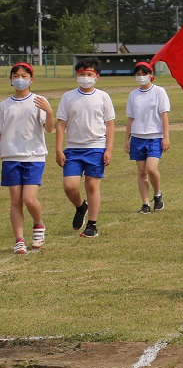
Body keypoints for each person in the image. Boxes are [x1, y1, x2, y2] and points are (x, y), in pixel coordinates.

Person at [55, 57, 115, 238]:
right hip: (73, 149)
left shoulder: (103, 97)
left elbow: (110, 124)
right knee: (70, 186)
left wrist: (108, 149)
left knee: (92, 185)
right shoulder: (68, 97)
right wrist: (58, 149)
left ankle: (92, 225)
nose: (85, 77)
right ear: (76, 75)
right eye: (82, 74)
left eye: (89, 74)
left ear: (97, 76)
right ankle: (81, 207)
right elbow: (61, 124)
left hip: (96, 147)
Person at [1, 63, 54, 253]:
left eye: (24, 76)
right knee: (15, 200)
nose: (20, 79)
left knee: (29, 199)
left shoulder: (39, 101)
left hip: (34, 156)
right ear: (11, 80)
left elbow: (48, 129)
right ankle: (19, 240)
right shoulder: (4, 105)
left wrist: (49, 111)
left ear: (31, 79)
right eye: (16, 76)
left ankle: (39, 225)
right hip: (10, 156)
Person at [125, 61, 171, 214]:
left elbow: (164, 115)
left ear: (151, 75)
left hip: (155, 137)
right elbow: (131, 118)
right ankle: (145, 204)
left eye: (144, 74)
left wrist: (166, 137)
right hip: (138, 137)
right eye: (138, 74)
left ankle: (157, 195)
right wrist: (127, 139)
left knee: (151, 169)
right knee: (141, 172)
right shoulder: (133, 95)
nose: (141, 77)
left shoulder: (159, 92)